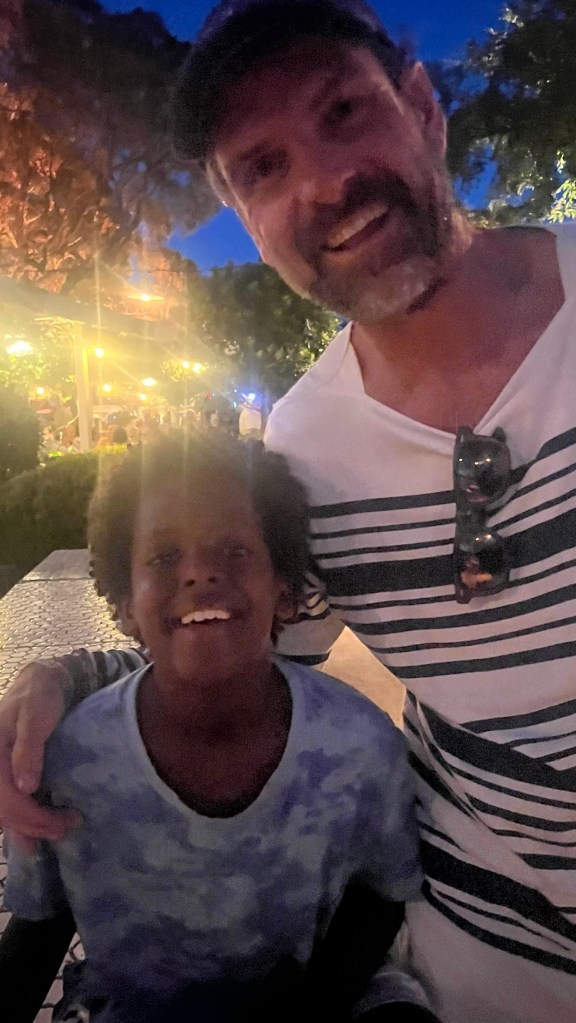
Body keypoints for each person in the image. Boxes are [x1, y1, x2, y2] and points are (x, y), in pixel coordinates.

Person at [1, 1, 576, 1020]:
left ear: (423, 107)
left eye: (343, 111)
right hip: (485, 972)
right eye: (262, 168)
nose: (323, 182)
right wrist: (60, 679)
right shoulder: (305, 449)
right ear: (249, 225)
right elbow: (236, 645)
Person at [2, 432, 433, 1023]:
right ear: (124, 604)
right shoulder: (68, 757)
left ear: (285, 591)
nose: (200, 573)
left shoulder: (360, 743)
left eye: (234, 551)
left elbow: (380, 898)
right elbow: (38, 929)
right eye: (163, 557)